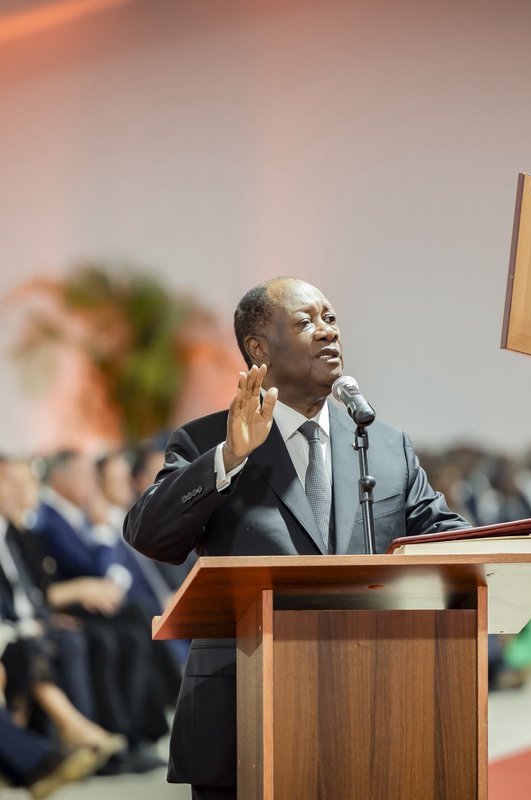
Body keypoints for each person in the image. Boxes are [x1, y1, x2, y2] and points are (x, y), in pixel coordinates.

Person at [123, 277, 469, 798]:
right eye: (306, 321)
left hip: (374, 700)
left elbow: (441, 533)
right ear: (258, 349)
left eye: (330, 318)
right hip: (244, 708)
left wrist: (512, 549)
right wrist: (228, 459)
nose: (328, 331)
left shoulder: (384, 444)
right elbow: (149, 534)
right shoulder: (208, 439)